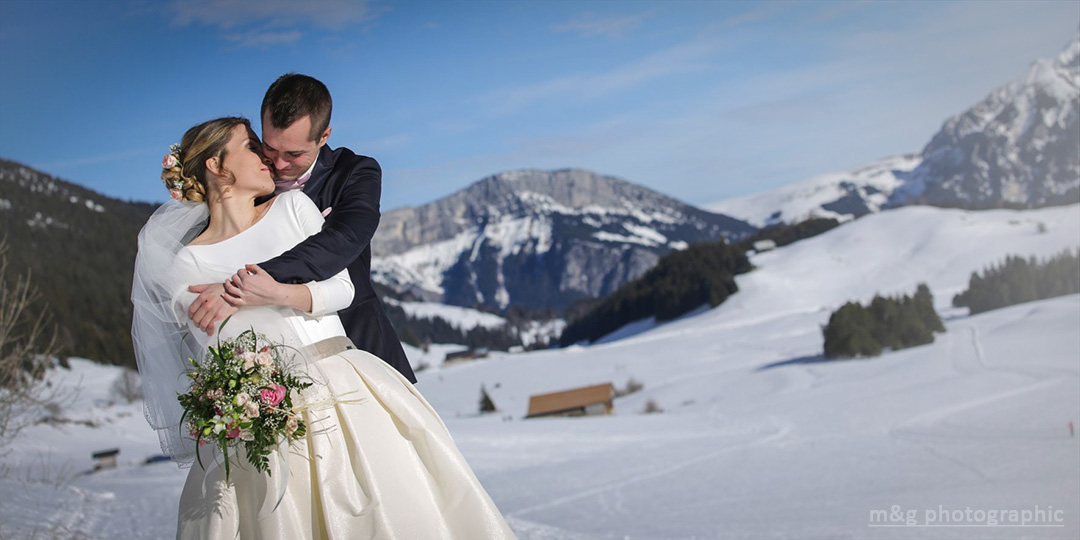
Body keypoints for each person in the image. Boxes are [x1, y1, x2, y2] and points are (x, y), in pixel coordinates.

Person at [131, 117, 517, 539]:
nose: (267, 157)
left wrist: (276, 293)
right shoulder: (188, 265)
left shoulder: (293, 208)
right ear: (217, 166)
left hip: (343, 385)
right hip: (266, 416)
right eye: (251, 146)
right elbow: (215, 351)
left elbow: (343, 288)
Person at [185, 73, 416, 385]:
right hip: (273, 374)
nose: (278, 165)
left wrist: (244, 285)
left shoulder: (355, 172)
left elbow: (343, 240)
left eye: (293, 154)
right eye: (268, 148)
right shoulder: (246, 184)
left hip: (361, 343)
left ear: (324, 136)